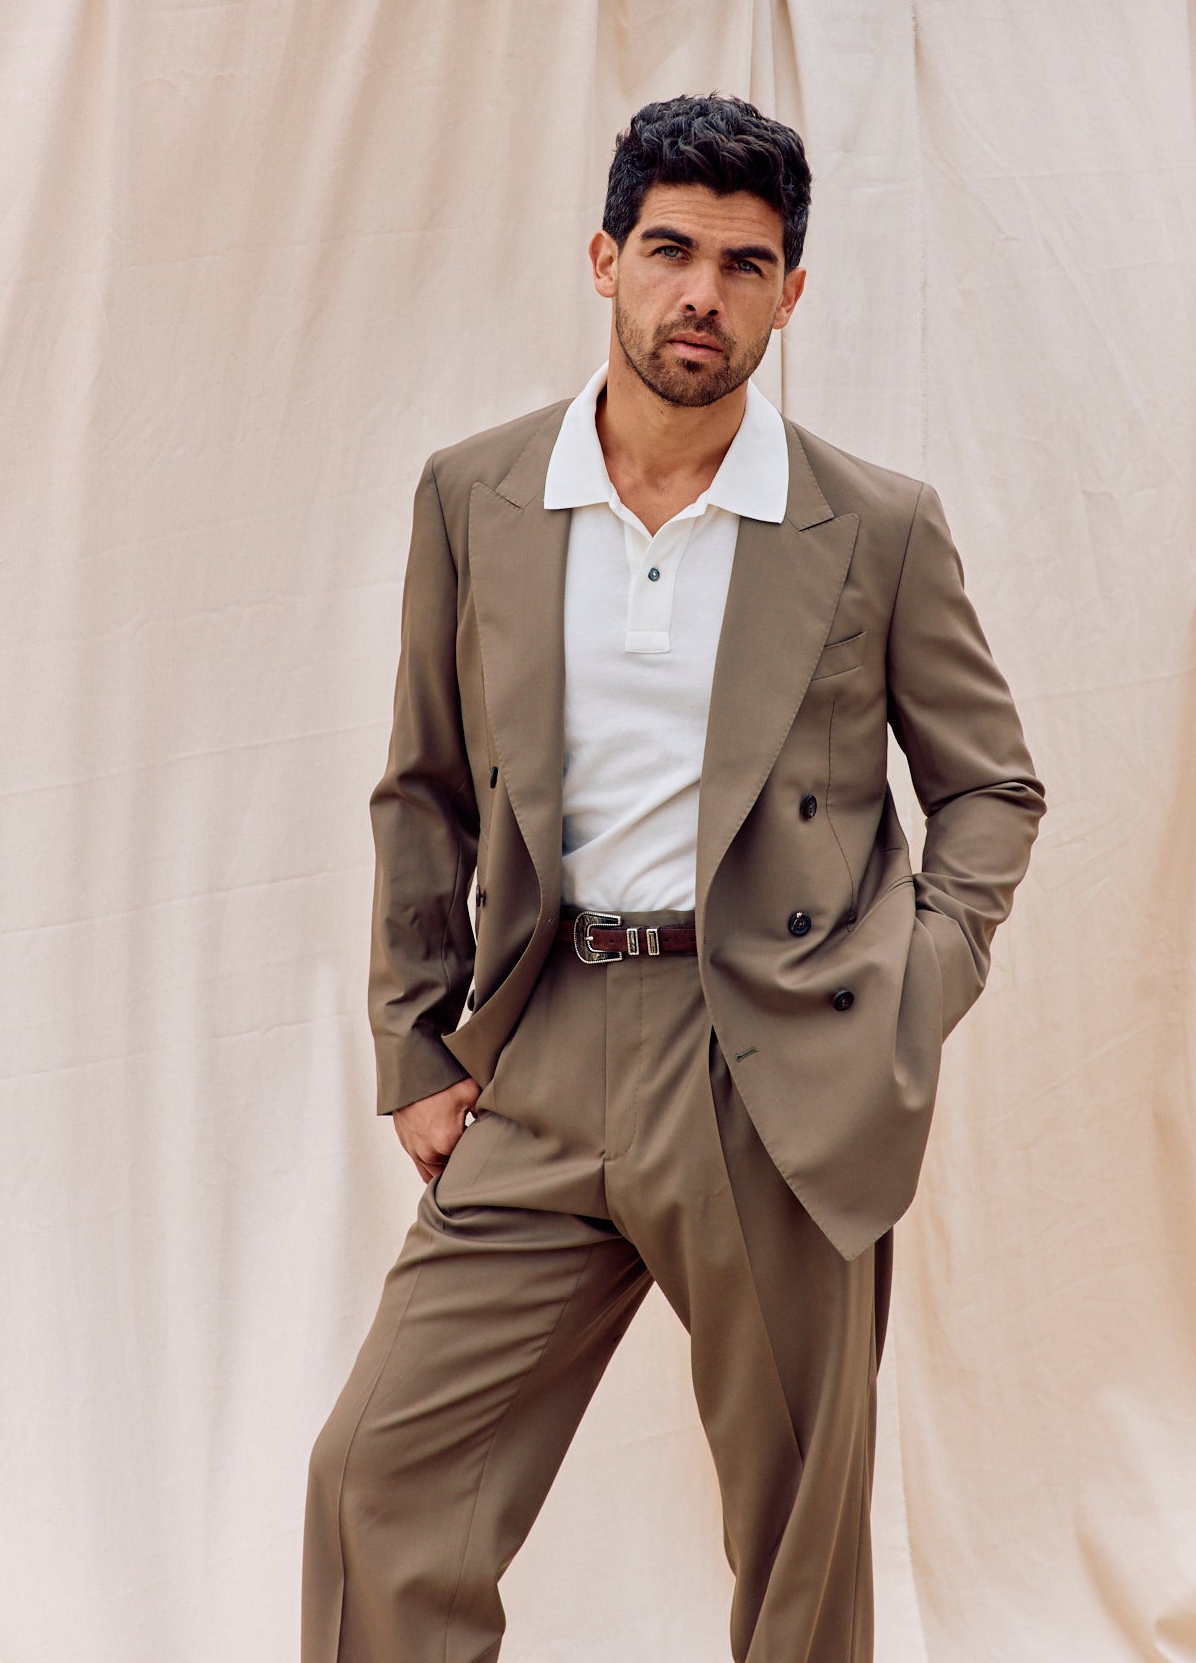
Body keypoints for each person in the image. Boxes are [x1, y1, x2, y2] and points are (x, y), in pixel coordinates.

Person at [302, 92, 1046, 1663]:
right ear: (604, 260)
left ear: (790, 292)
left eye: (743, 263)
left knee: (795, 1549)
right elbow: (424, 786)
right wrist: (413, 1048)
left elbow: (987, 784)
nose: (700, 293)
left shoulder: (873, 527)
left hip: (775, 1062)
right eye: (668, 251)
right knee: (377, 1479)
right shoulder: (476, 494)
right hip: (543, 1045)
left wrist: (905, 996)